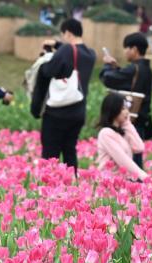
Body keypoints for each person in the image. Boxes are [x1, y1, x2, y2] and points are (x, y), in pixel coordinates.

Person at [31, 18, 97, 169]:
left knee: (50, 154)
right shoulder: (91, 54)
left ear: (67, 33)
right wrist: (57, 45)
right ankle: (72, 182)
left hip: (57, 113)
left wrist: (45, 57)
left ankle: (48, 182)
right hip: (78, 113)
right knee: (69, 152)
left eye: (62, 35)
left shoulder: (66, 50)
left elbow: (48, 71)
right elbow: (74, 52)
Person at [99, 31, 152, 153]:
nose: (125, 52)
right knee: (136, 154)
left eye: (126, 48)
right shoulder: (146, 69)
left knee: (129, 156)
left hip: (130, 121)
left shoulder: (133, 68)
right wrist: (117, 68)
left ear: (134, 49)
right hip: (141, 119)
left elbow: (107, 79)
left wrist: (107, 65)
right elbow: (127, 81)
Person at [94, 92, 149, 180]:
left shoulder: (123, 131)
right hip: (109, 181)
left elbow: (139, 147)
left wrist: (127, 123)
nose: (127, 112)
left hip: (123, 181)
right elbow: (123, 160)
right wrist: (145, 177)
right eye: (123, 108)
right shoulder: (106, 133)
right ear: (113, 109)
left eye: (127, 108)